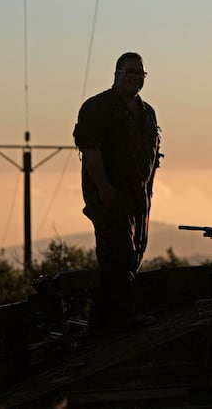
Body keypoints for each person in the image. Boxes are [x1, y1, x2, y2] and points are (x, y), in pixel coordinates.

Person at [72, 52, 161, 333]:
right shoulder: (97, 108)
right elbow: (91, 152)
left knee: (134, 254)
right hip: (109, 195)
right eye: (130, 72)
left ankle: (100, 320)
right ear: (116, 74)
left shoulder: (147, 113)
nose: (136, 77)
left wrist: (148, 191)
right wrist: (104, 190)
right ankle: (121, 316)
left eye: (140, 74)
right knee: (117, 253)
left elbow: (152, 155)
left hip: (138, 196)